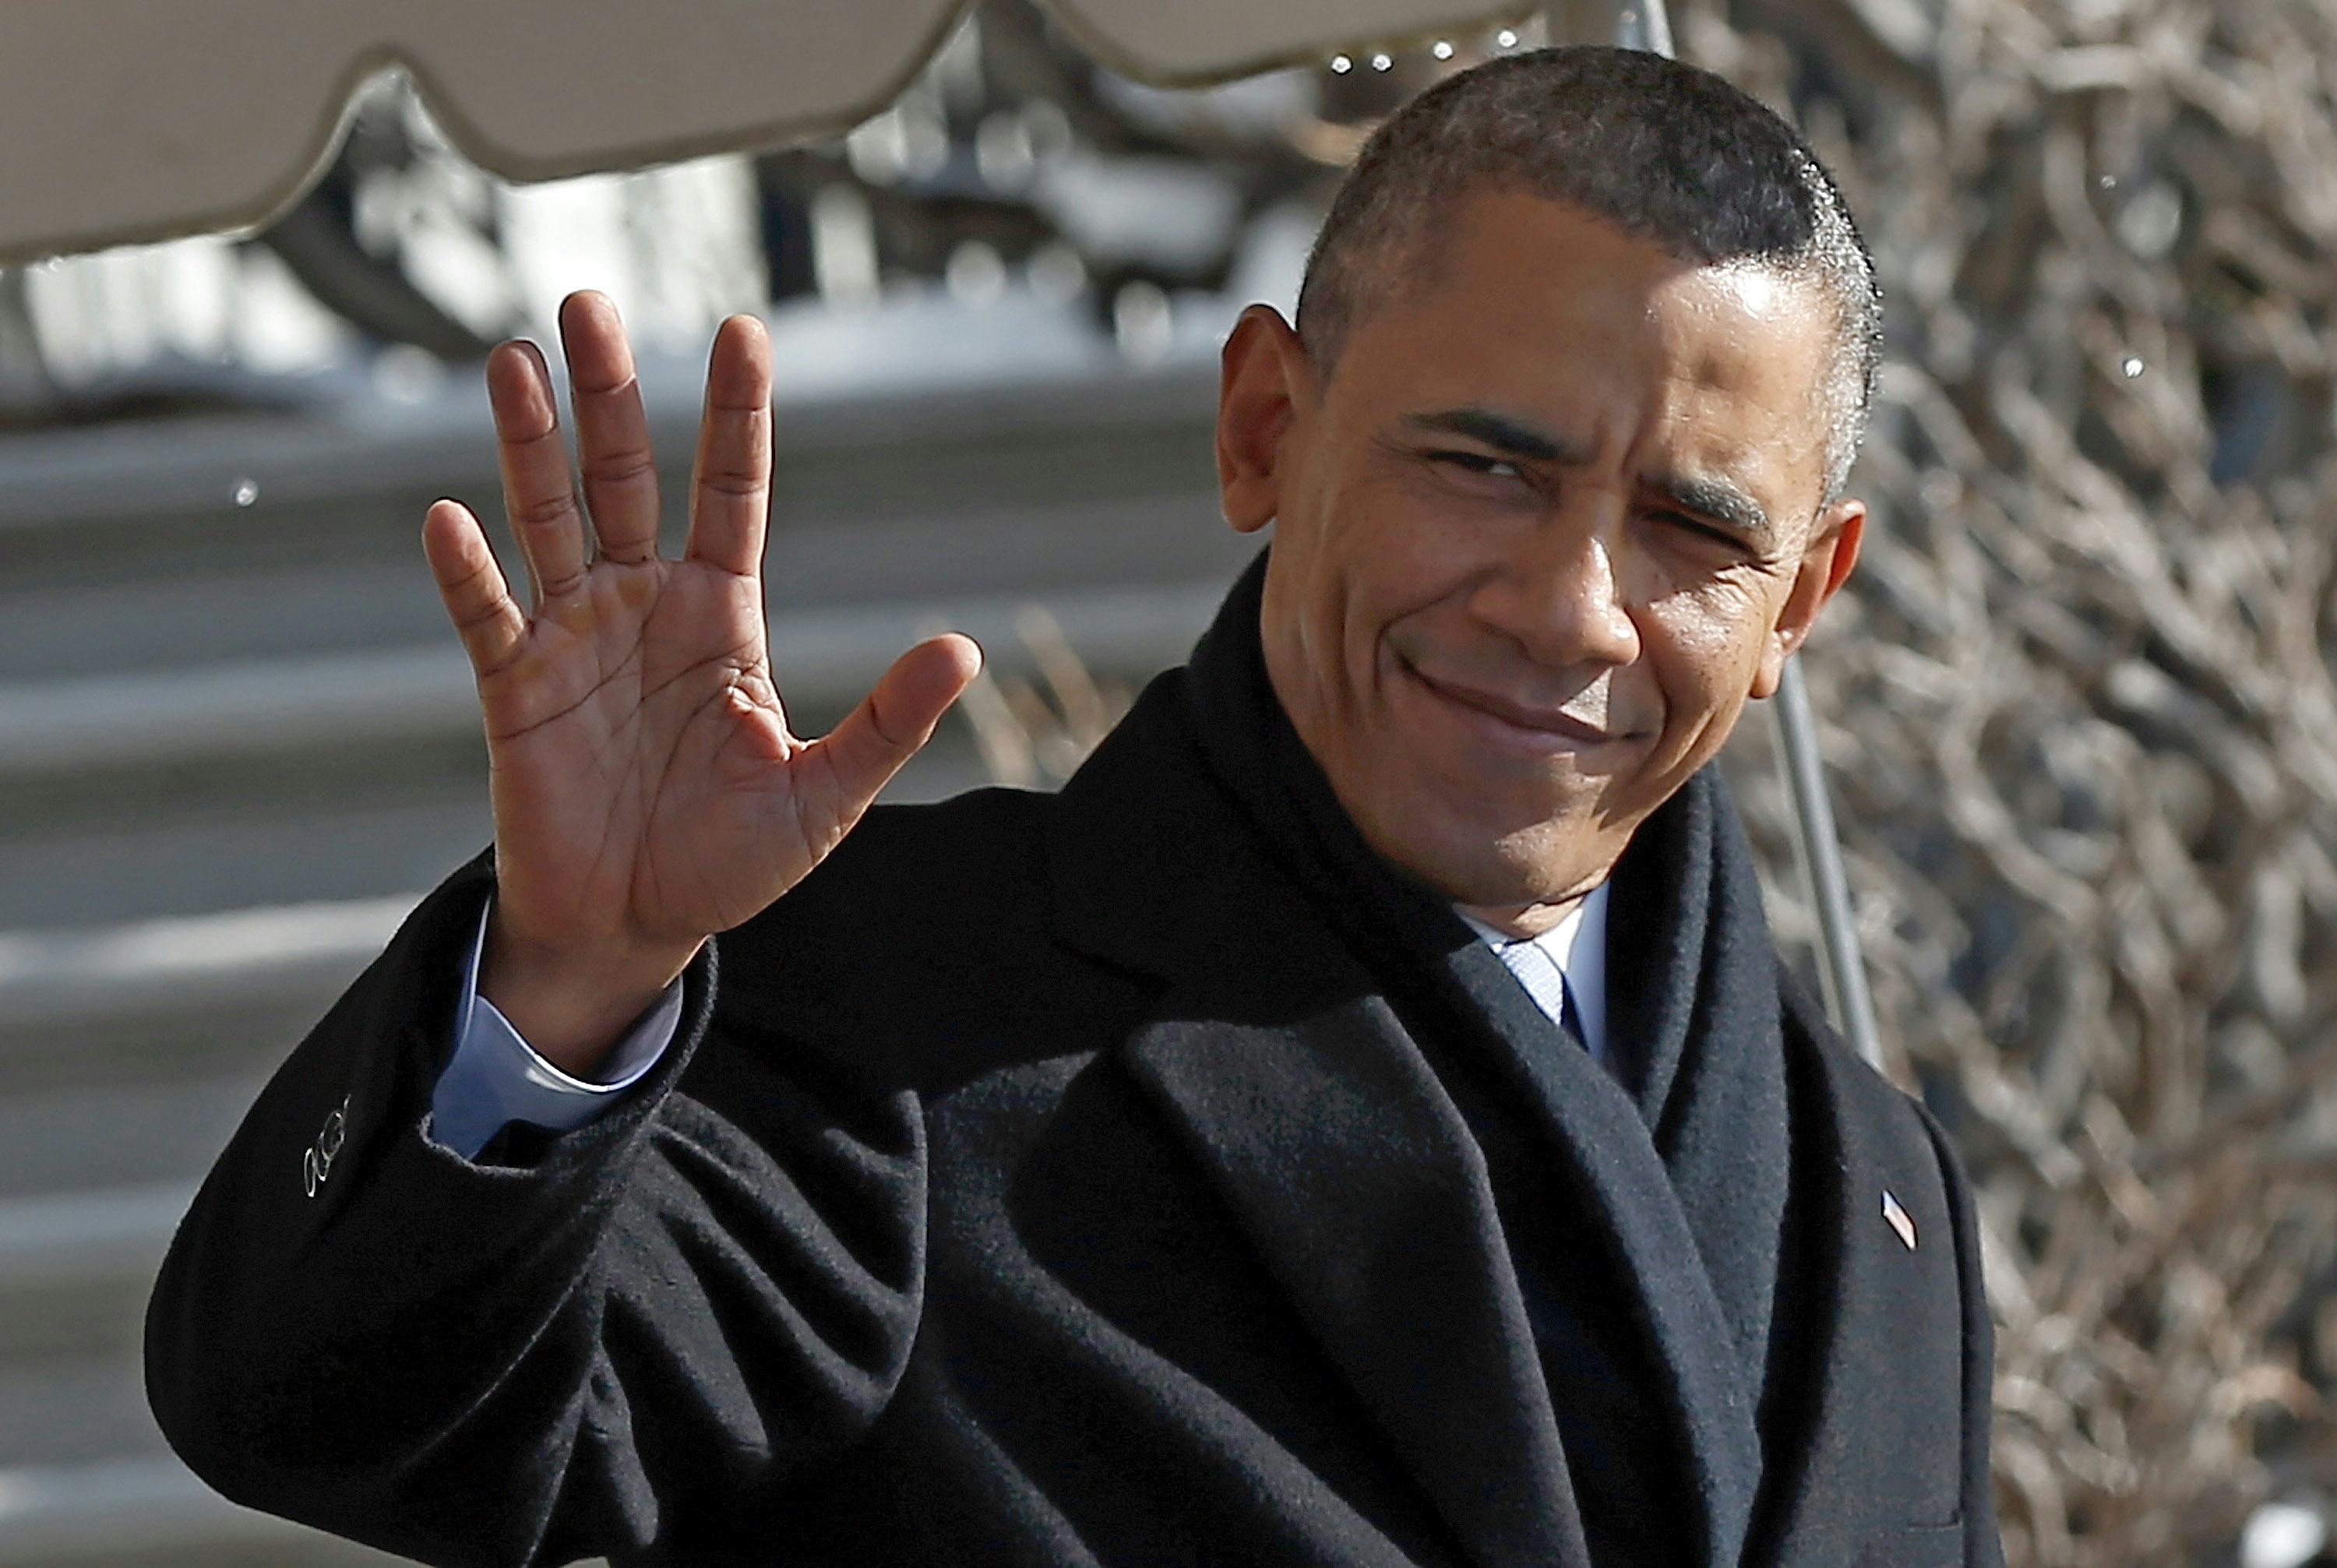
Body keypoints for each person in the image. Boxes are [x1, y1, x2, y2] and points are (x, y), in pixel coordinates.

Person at [146, 47, 2003, 1568]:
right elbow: (335, 1411)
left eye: (1693, 529)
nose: (1574, 609)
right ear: (1264, 425)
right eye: (1485, 467)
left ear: (1801, 600)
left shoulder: (1877, 1186)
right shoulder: (900, 1015)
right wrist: (564, 984)